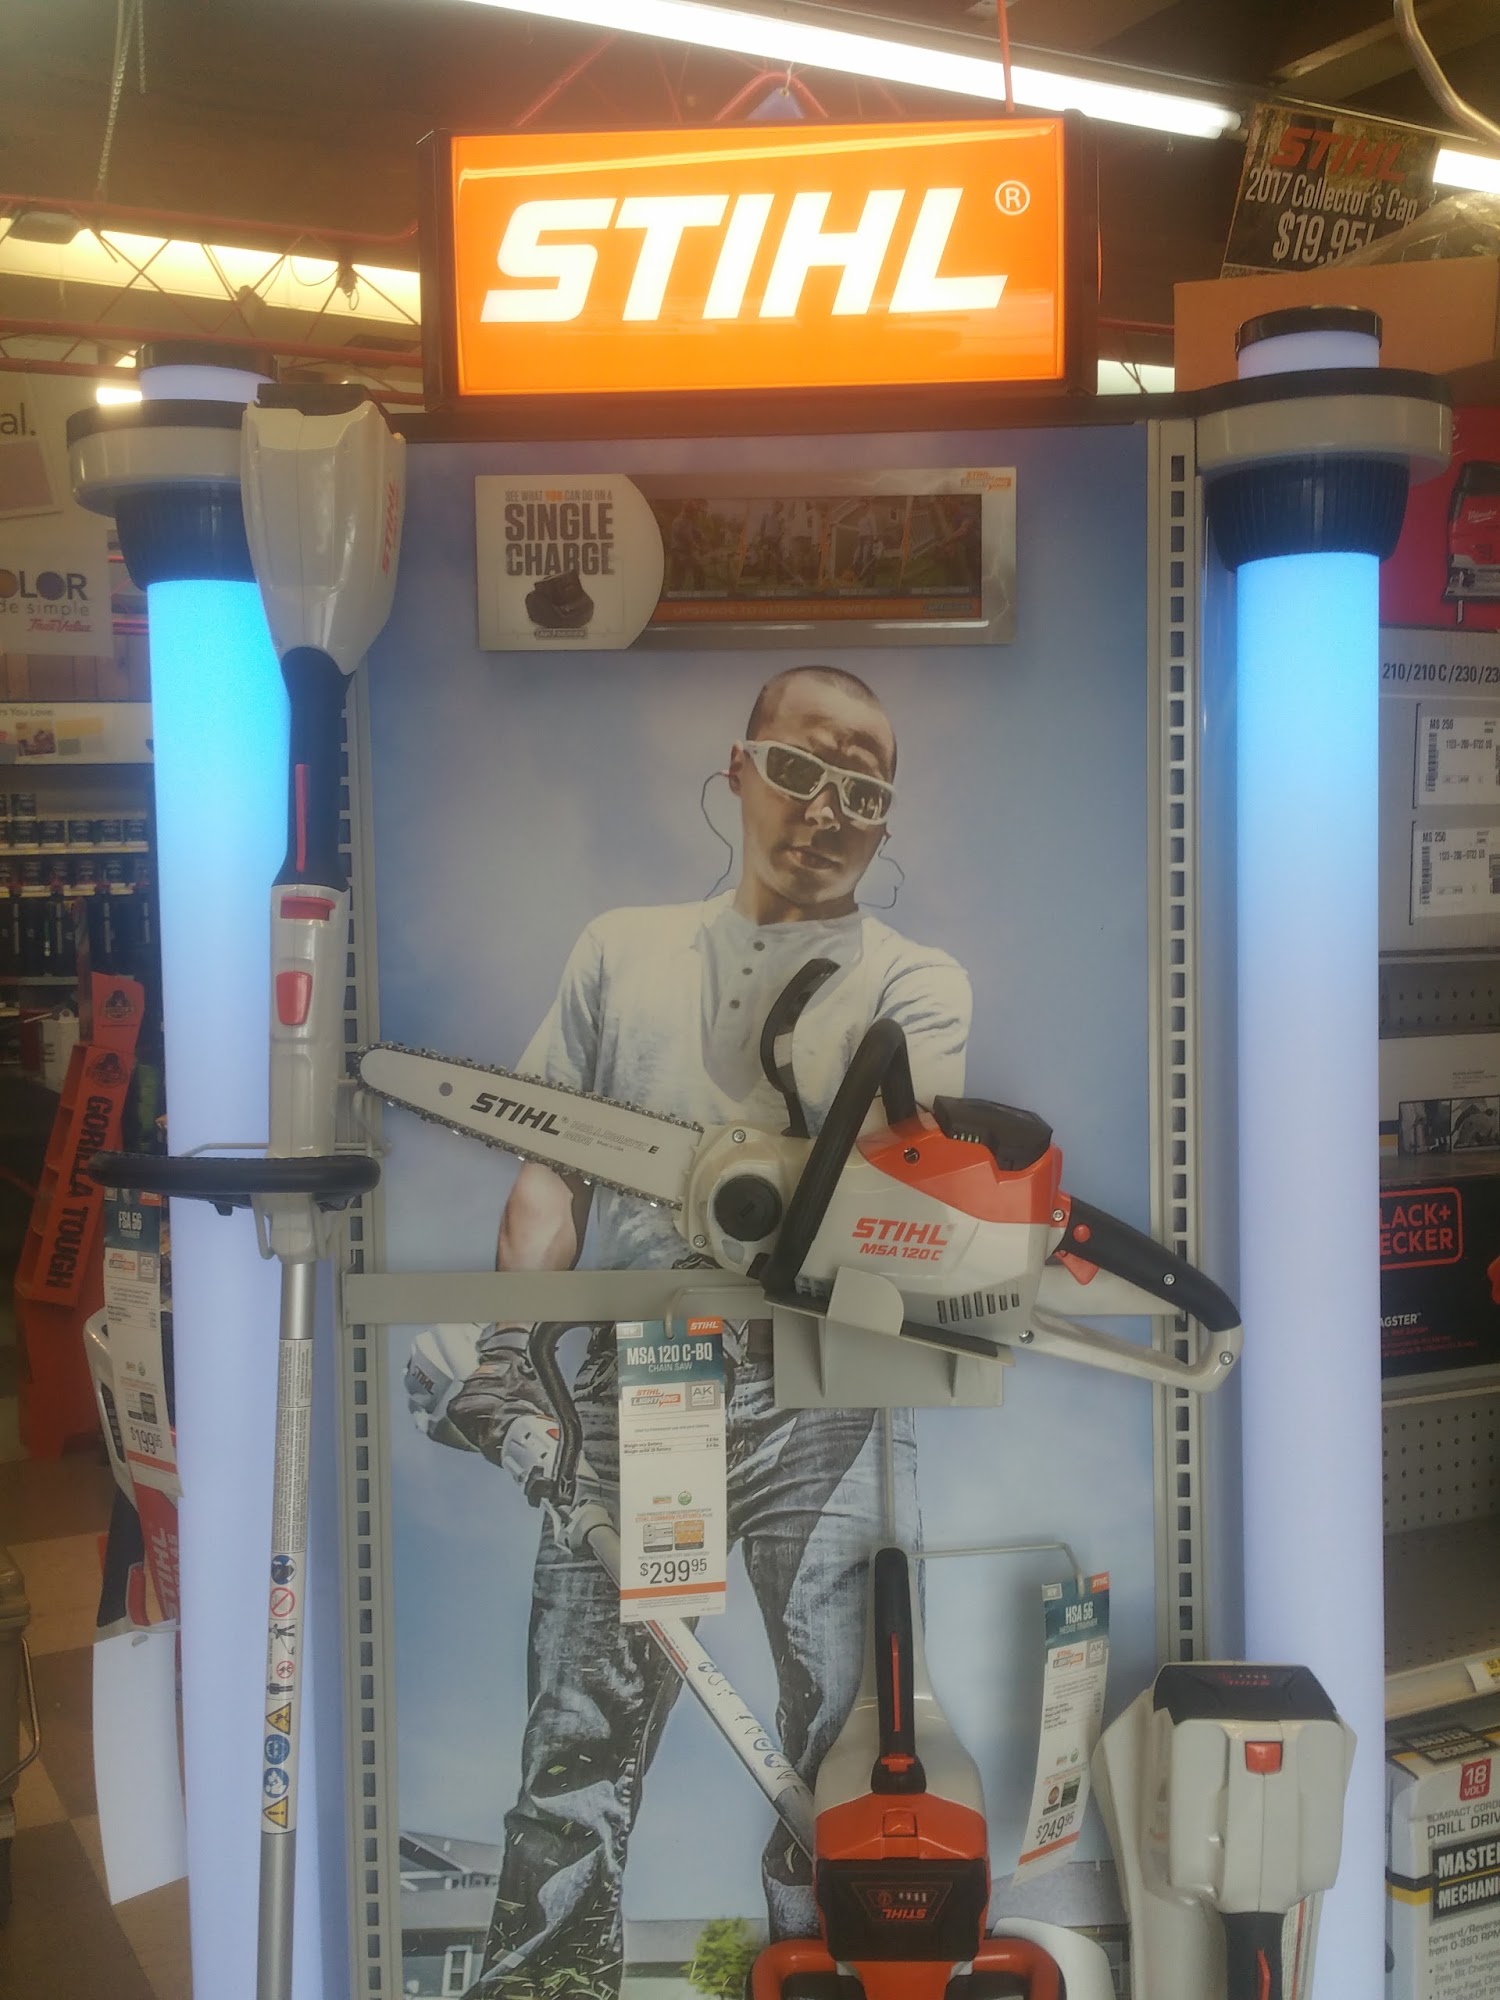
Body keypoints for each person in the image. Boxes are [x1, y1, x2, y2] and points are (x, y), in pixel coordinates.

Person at [448, 664, 972, 2000]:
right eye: (798, 770)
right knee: (585, 1727)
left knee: (854, 1729)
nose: (826, 809)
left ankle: (826, 1969)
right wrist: (511, 1351)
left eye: (862, 789)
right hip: (648, 1382)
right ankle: (548, 1982)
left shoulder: (915, 982)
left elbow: (904, 1188)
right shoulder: (622, 951)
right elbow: (550, 1176)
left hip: (825, 1389)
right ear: (738, 770)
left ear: (888, 817)